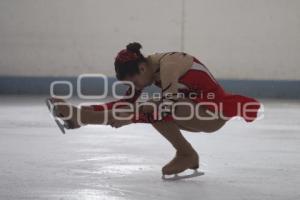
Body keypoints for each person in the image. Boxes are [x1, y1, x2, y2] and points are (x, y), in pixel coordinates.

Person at [50, 42, 260, 177]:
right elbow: (127, 104)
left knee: (154, 107)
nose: (137, 86)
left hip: (212, 113)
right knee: (151, 108)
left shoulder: (169, 65)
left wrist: (130, 119)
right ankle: (187, 155)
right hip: (191, 110)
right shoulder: (149, 68)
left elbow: (164, 107)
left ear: (141, 68)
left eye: (134, 81)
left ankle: (80, 118)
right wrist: (88, 110)